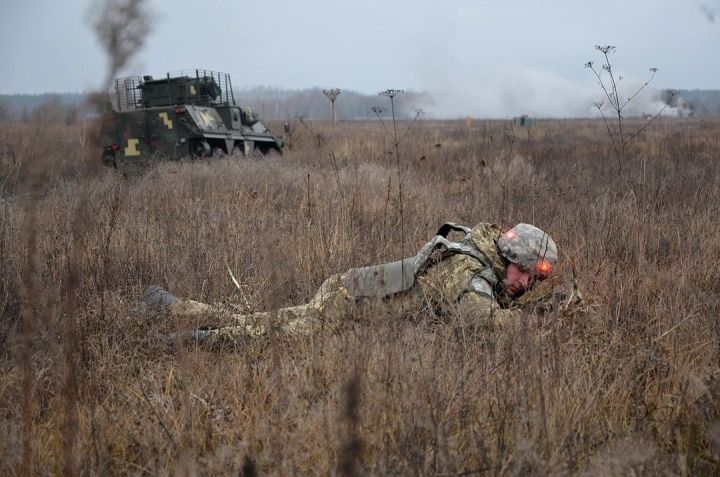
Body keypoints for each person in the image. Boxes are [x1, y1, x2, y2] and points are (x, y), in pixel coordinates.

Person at [145, 222, 558, 346]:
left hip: (353, 292)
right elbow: (479, 316)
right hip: (349, 304)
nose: (523, 283)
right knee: (263, 334)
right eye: (523, 272)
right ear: (510, 258)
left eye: (531, 279)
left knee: (261, 320)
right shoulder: (468, 272)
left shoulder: (482, 255)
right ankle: (177, 341)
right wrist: (535, 325)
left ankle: (167, 304)